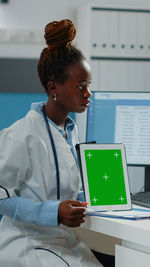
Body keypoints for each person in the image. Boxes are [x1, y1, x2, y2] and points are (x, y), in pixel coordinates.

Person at [0, 19, 114, 267]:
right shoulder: (22, 134)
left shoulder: (68, 131)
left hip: (65, 240)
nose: (88, 94)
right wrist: (54, 212)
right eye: (80, 86)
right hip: (28, 243)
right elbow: (1, 197)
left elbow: (66, 189)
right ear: (54, 88)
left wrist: (101, 197)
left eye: (89, 86)